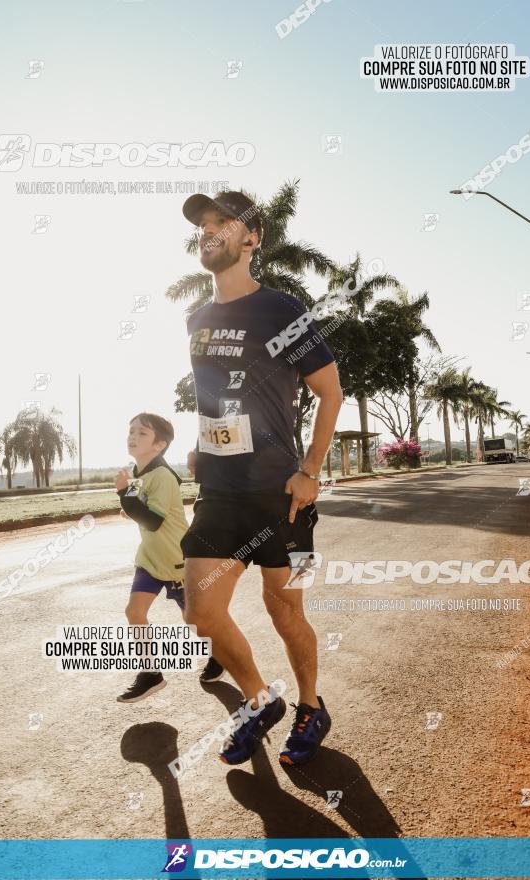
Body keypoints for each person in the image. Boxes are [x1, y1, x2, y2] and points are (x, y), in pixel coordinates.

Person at [181, 190, 343, 765]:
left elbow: (330, 391)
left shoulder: (280, 311)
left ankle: (309, 706)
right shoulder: (197, 319)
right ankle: (259, 699)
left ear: (252, 238)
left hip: (282, 495)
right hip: (220, 495)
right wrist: (203, 446)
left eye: (223, 223)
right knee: (198, 610)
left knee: (286, 610)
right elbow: (212, 394)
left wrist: (311, 471)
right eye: (204, 224)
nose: (210, 231)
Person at [115, 412, 224, 702]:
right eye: (131, 431)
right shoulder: (139, 472)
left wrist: (123, 495)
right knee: (134, 613)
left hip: (177, 561)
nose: (133, 437)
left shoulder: (162, 476)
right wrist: (128, 501)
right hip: (150, 560)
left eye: (142, 433)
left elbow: (153, 520)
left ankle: (220, 654)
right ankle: (151, 673)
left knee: (195, 619)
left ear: (159, 445)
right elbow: (139, 510)